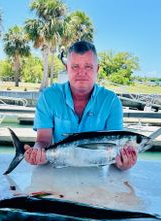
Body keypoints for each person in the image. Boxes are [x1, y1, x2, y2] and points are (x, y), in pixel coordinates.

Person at [24, 41, 137, 170]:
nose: (81, 73)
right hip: (56, 174)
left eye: (88, 66)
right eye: (75, 66)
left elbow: (115, 152)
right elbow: (43, 141)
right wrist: (37, 153)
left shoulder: (111, 101)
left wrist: (124, 163)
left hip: (98, 180)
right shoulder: (48, 97)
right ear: (67, 68)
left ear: (97, 69)